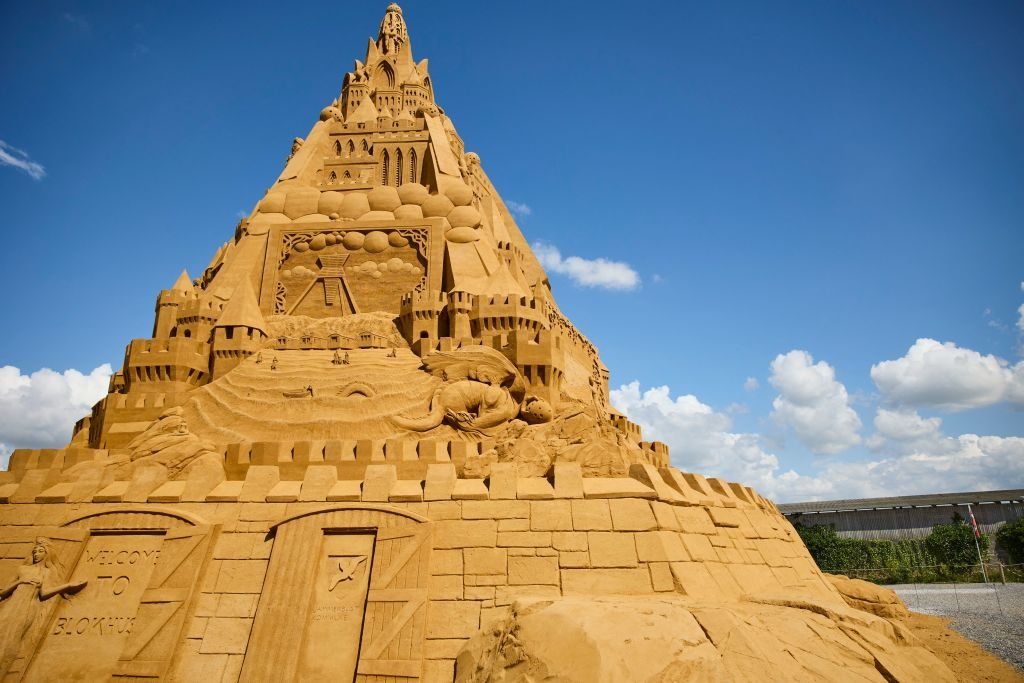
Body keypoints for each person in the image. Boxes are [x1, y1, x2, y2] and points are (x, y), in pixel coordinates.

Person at [0, 538, 87, 676]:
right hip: (12, 605)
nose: (36, 554)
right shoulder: (22, 569)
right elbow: (3, 593)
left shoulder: (46, 573)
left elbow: (44, 593)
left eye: (40, 551)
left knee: (11, 642)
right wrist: (20, 581)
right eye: (35, 551)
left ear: (47, 554)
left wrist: (68, 585)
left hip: (28, 608)